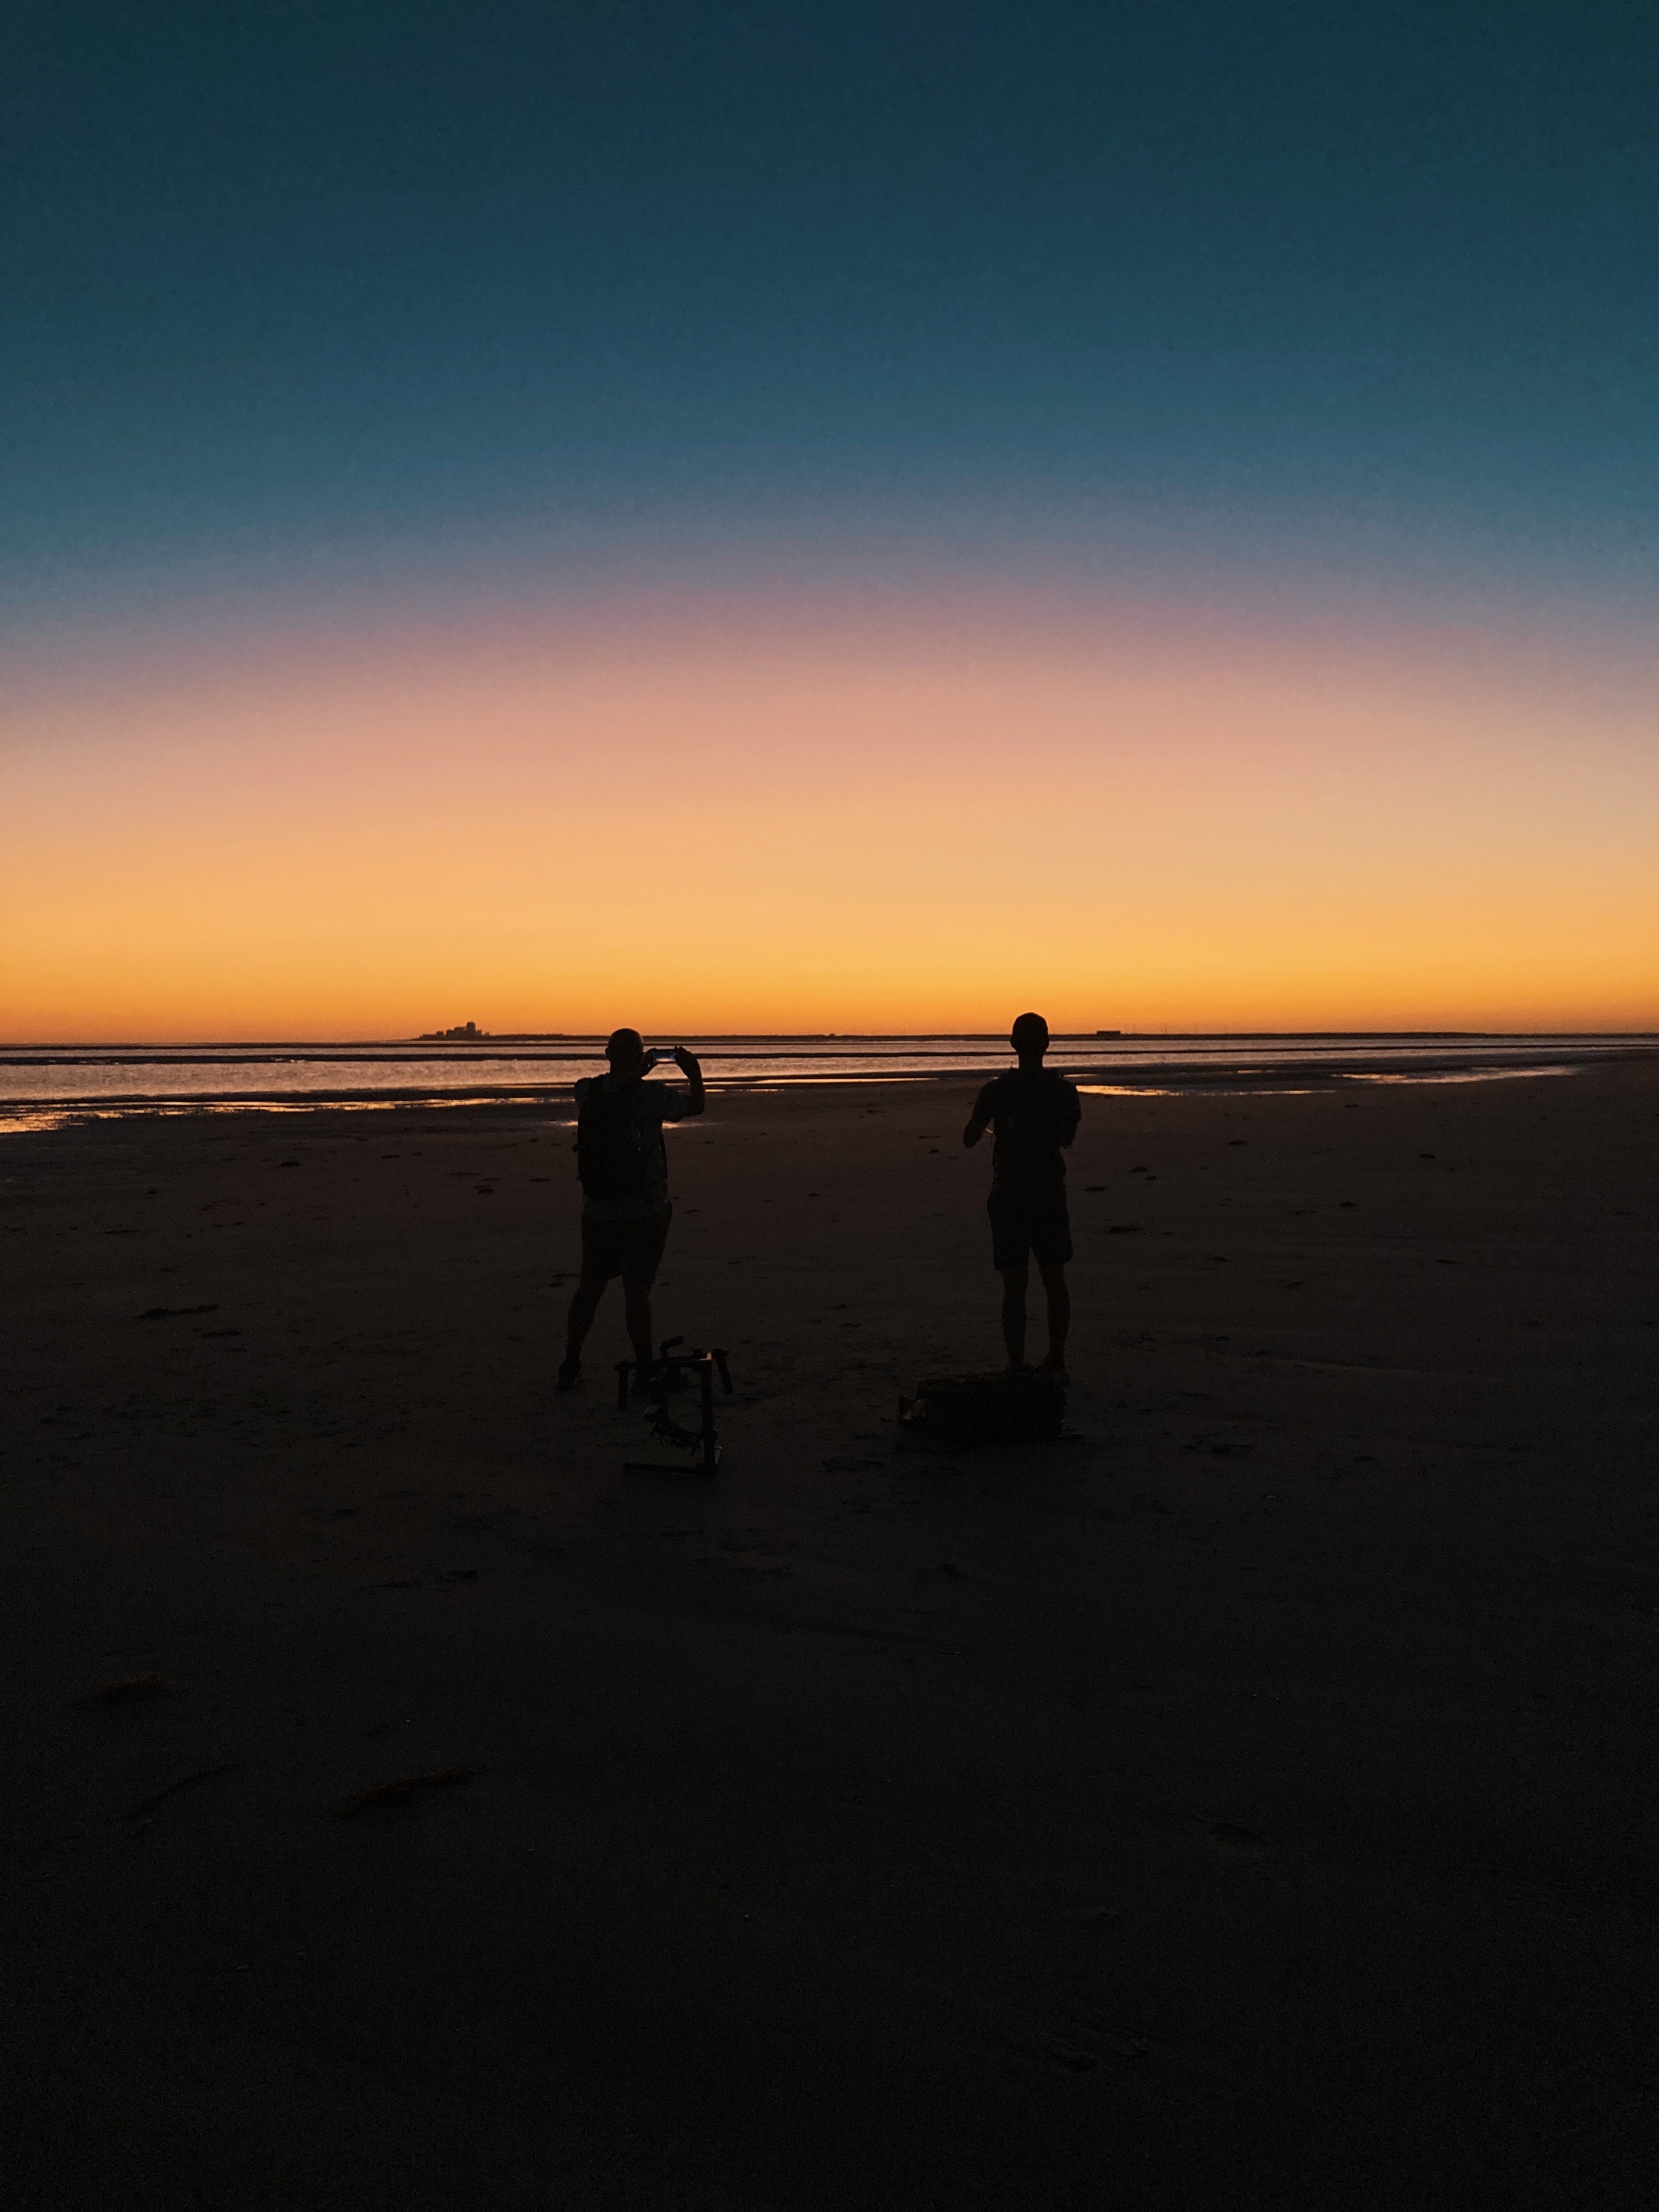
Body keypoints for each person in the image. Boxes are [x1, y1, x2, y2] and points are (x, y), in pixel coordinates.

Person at [557, 1030, 705, 1392]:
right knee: (637, 1293)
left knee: (589, 1289)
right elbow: (695, 1106)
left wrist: (636, 1070)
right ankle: (644, 1367)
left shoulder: (585, 1091)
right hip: (645, 1209)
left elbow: (615, 1090)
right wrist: (694, 1073)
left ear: (607, 1055)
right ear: (640, 1058)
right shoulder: (653, 1095)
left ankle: (571, 1364)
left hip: (599, 1209)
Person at [962, 1012, 1081, 1380]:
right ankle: (1055, 1359)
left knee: (1015, 1286)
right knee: (1054, 1280)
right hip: (1047, 1192)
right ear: (1047, 1044)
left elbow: (969, 1138)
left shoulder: (996, 1091)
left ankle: (1016, 1364)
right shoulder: (1062, 1091)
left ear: (1013, 1044)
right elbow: (1067, 1138)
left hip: (1011, 1193)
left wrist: (1000, 1123)